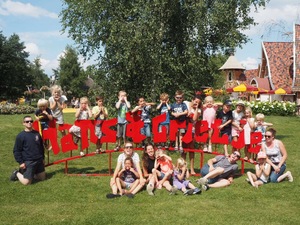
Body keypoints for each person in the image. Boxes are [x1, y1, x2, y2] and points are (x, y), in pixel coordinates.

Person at [10, 116, 46, 185]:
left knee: (42, 178)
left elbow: (41, 147)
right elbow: (16, 150)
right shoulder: (20, 136)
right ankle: (16, 173)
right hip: (29, 161)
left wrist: (43, 158)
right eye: (27, 121)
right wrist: (21, 162)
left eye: (31, 121)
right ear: (23, 123)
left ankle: (30, 174)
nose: (29, 123)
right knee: (26, 183)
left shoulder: (37, 133)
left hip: (38, 160)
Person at [183, 94, 202, 175]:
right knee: (183, 150)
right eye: (195, 101)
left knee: (191, 149)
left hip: (192, 130)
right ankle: (183, 167)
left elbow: (194, 119)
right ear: (192, 100)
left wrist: (196, 108)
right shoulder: (185, 103)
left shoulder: (198, 110)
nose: (196, 103)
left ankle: (192, 169)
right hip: (183, 129)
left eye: (198, 103)